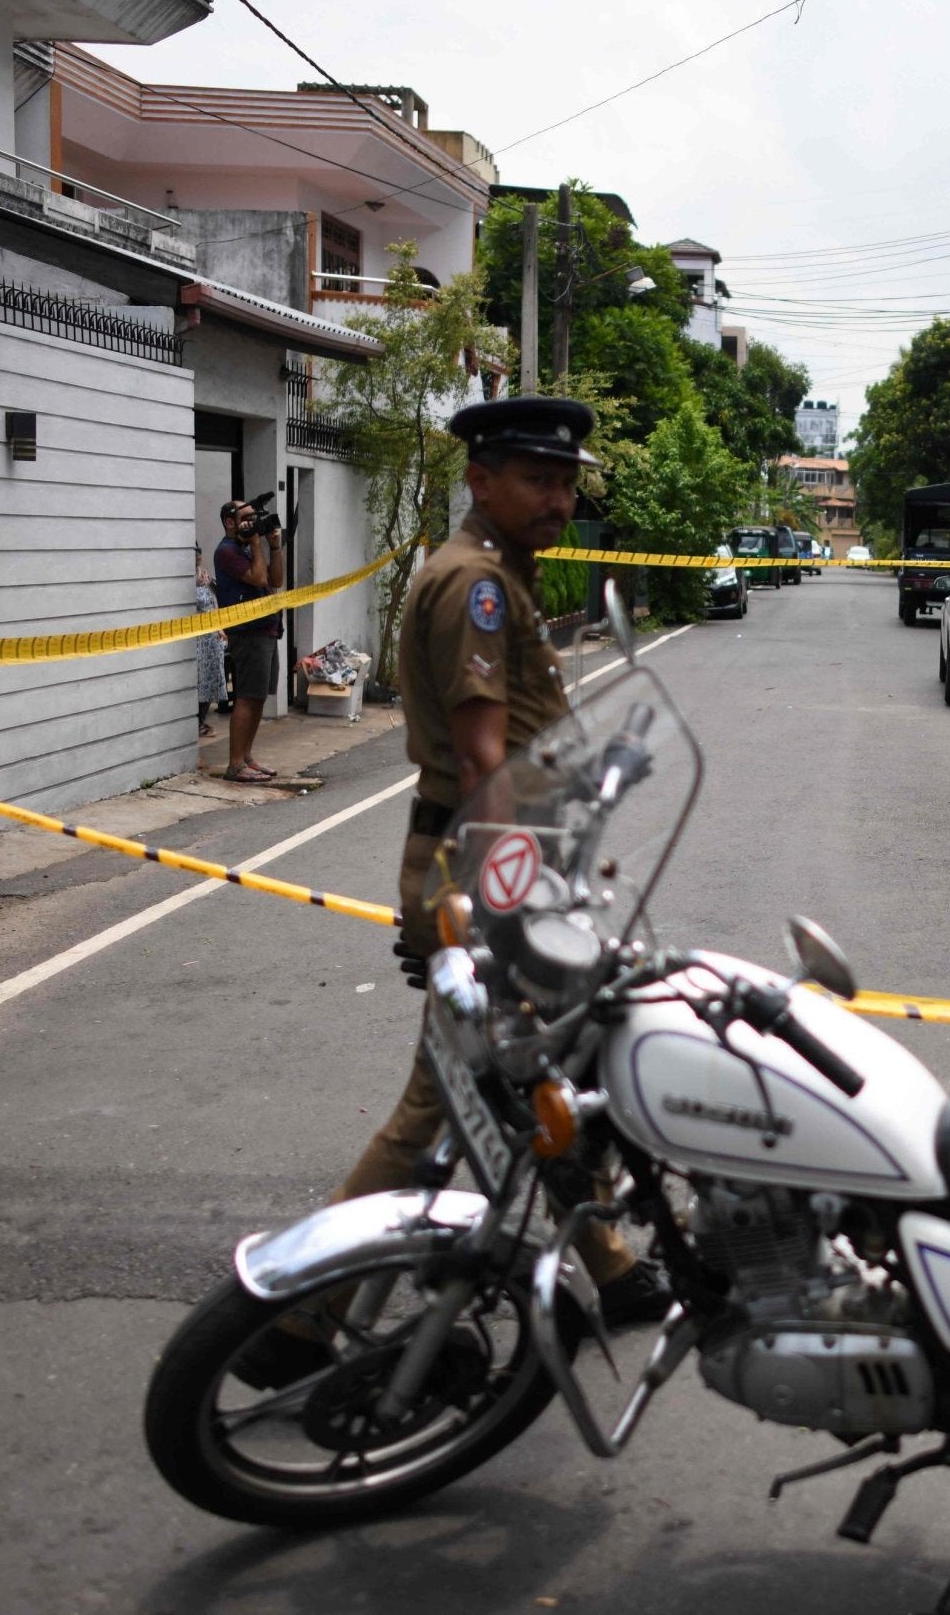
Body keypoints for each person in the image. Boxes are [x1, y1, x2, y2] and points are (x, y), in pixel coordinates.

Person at [335, 394, 669, 1325]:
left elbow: (521, 744)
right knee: (435, 1103)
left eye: (567, 481)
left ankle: (612, 1267)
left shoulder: (506, 574)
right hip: (483, 866)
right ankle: (299, 1314)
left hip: (500, 861)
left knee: (531, 1076)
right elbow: (486, 763)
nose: (558, 498)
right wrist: (514, 903)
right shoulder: (478, 585)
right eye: (536, 478)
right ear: (480, 479)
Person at [212, 497, 285, 783]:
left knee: (258, 698)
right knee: (246, 697)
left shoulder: (244, 548)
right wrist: (256, 542)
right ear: (230, 522)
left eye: (255, 517)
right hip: (248, 633)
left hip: (266, 629)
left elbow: (275, 580)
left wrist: (275, 546)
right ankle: (234, 764)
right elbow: (257, 578)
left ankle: (246, 757)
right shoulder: (227, 551)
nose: (252, 523)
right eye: (246, 518)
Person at [192, 548, 224, 738]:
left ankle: (202, 720)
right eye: (194, 552)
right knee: (199, 679)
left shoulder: (204, 575)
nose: (198, 555)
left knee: (212, 678)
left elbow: (215, 601)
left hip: (212, 636)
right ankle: (196, 722)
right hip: (197, 639)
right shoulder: (185, 580)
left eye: (199, 551)